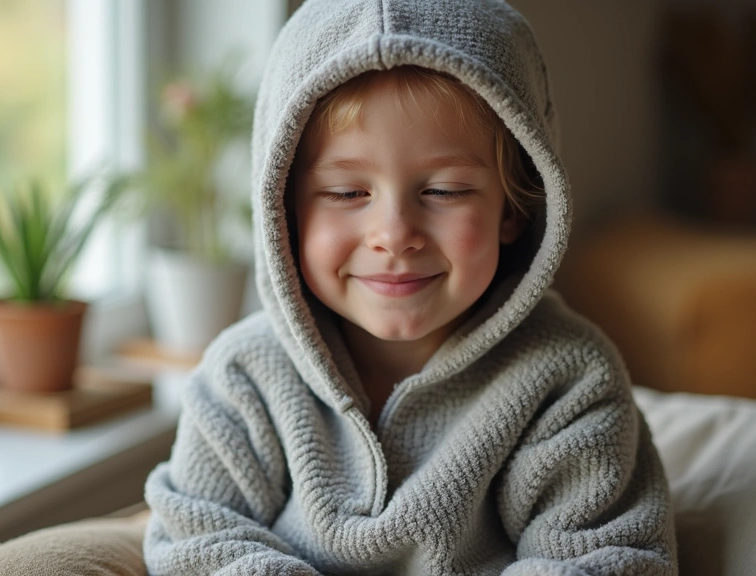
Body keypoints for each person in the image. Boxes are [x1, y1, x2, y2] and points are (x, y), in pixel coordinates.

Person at [143, 0, 678, 574]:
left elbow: (607, 560)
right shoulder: (242, 378)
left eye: (445, 191)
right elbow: (195, 540)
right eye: (347, 193)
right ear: (285, 213)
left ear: (513, 209)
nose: (394, 236)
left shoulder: (569, 378)